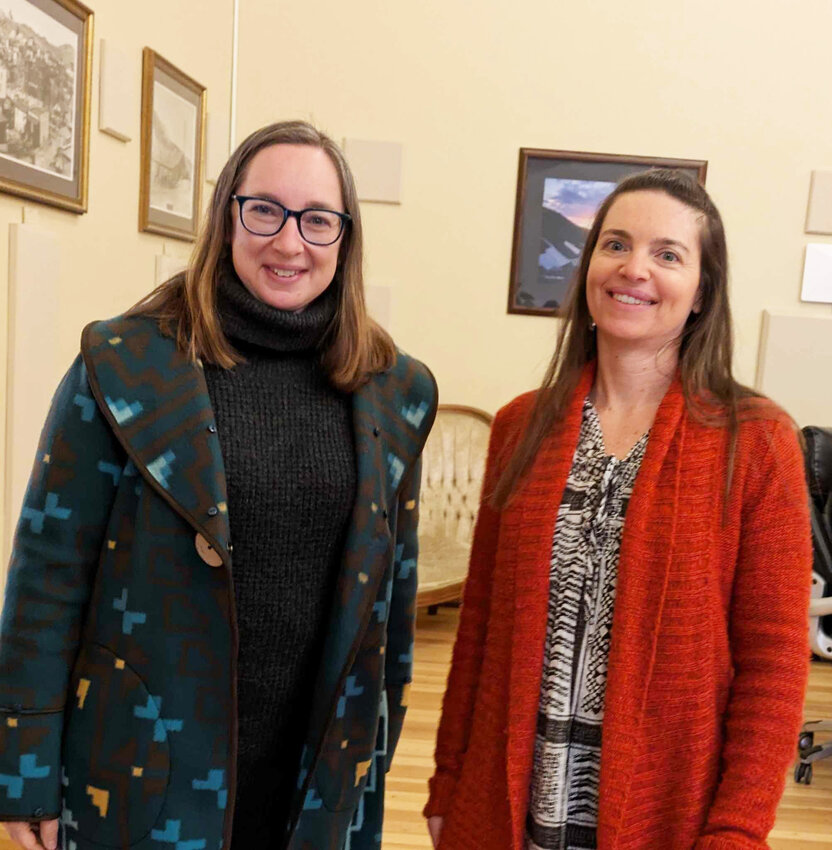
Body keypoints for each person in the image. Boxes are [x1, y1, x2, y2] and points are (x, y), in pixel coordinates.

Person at [0, 120, 437, 850]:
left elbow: (390, 605)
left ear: (345, 238)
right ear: (226, 216)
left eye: (317, 220)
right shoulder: (122, 365)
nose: (289, 242)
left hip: (316, 770)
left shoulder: (396, 391)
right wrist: (22, 767)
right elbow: (48, 580)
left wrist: (375, 757)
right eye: (264, 209)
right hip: (144, 764)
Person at [424, 169, 812, 850]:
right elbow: (479, 626)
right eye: (615, 244)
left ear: (702, 293)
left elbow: (774, 664)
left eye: (668, 254)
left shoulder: (756, 442)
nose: (635, 269)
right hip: (513, 799)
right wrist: (447, 781)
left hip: (670, 811)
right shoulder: (521, 426)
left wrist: (739, 827)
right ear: (588, 267)